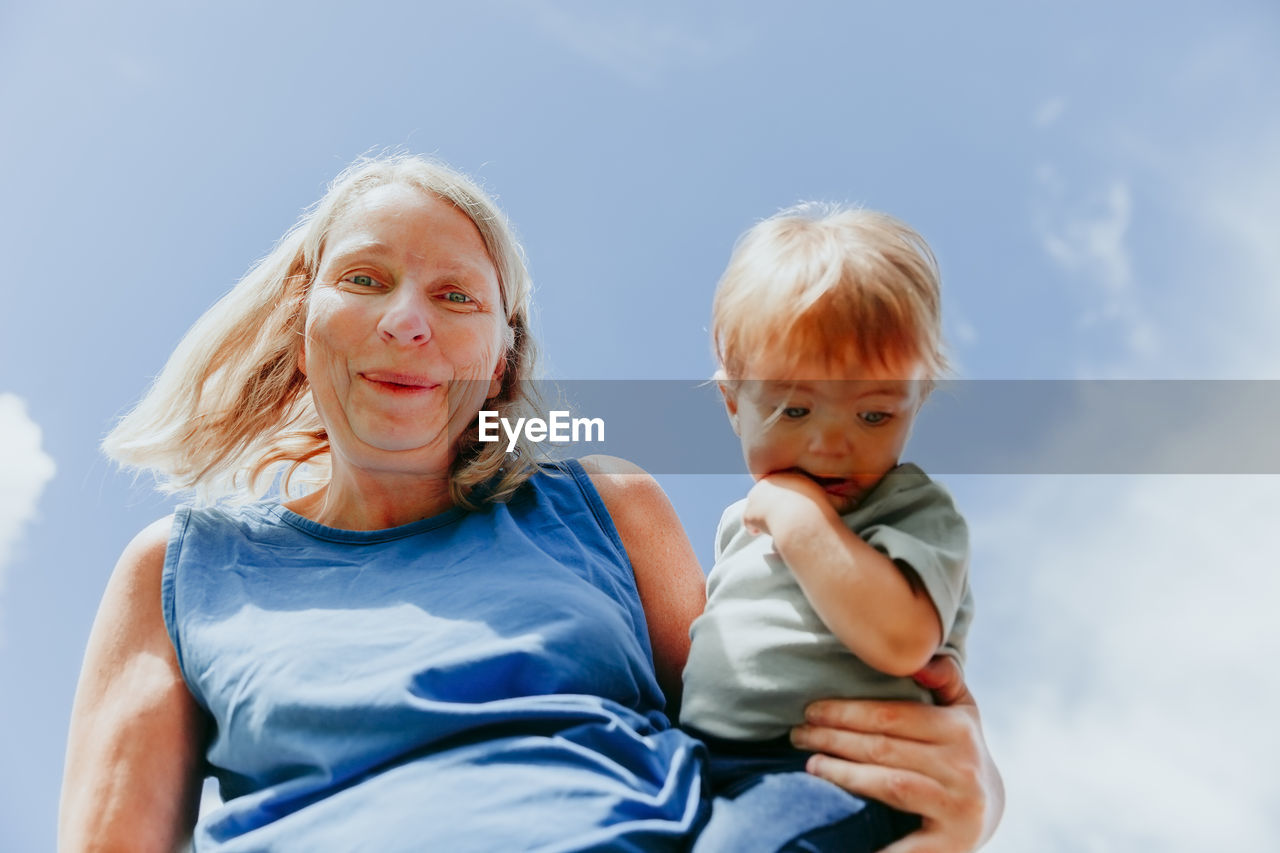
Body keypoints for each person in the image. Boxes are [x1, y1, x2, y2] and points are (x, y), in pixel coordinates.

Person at [58, 154, 1003, 852]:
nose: (407, 321)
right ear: (303, 325)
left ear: (500, 361)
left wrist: (958, 803)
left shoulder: (602, 497)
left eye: (458, 297)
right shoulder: (181, 569)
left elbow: (758, 730)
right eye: (363, 279)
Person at [682, 204, 972, 852]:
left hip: (834, 776)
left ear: (915, 403)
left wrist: (799, 519)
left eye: (873, 416)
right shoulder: (740, 522)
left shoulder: (910, 508)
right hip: (712, 769)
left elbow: (902, 640)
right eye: (795, 408)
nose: (831, 443)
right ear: (734, 402)